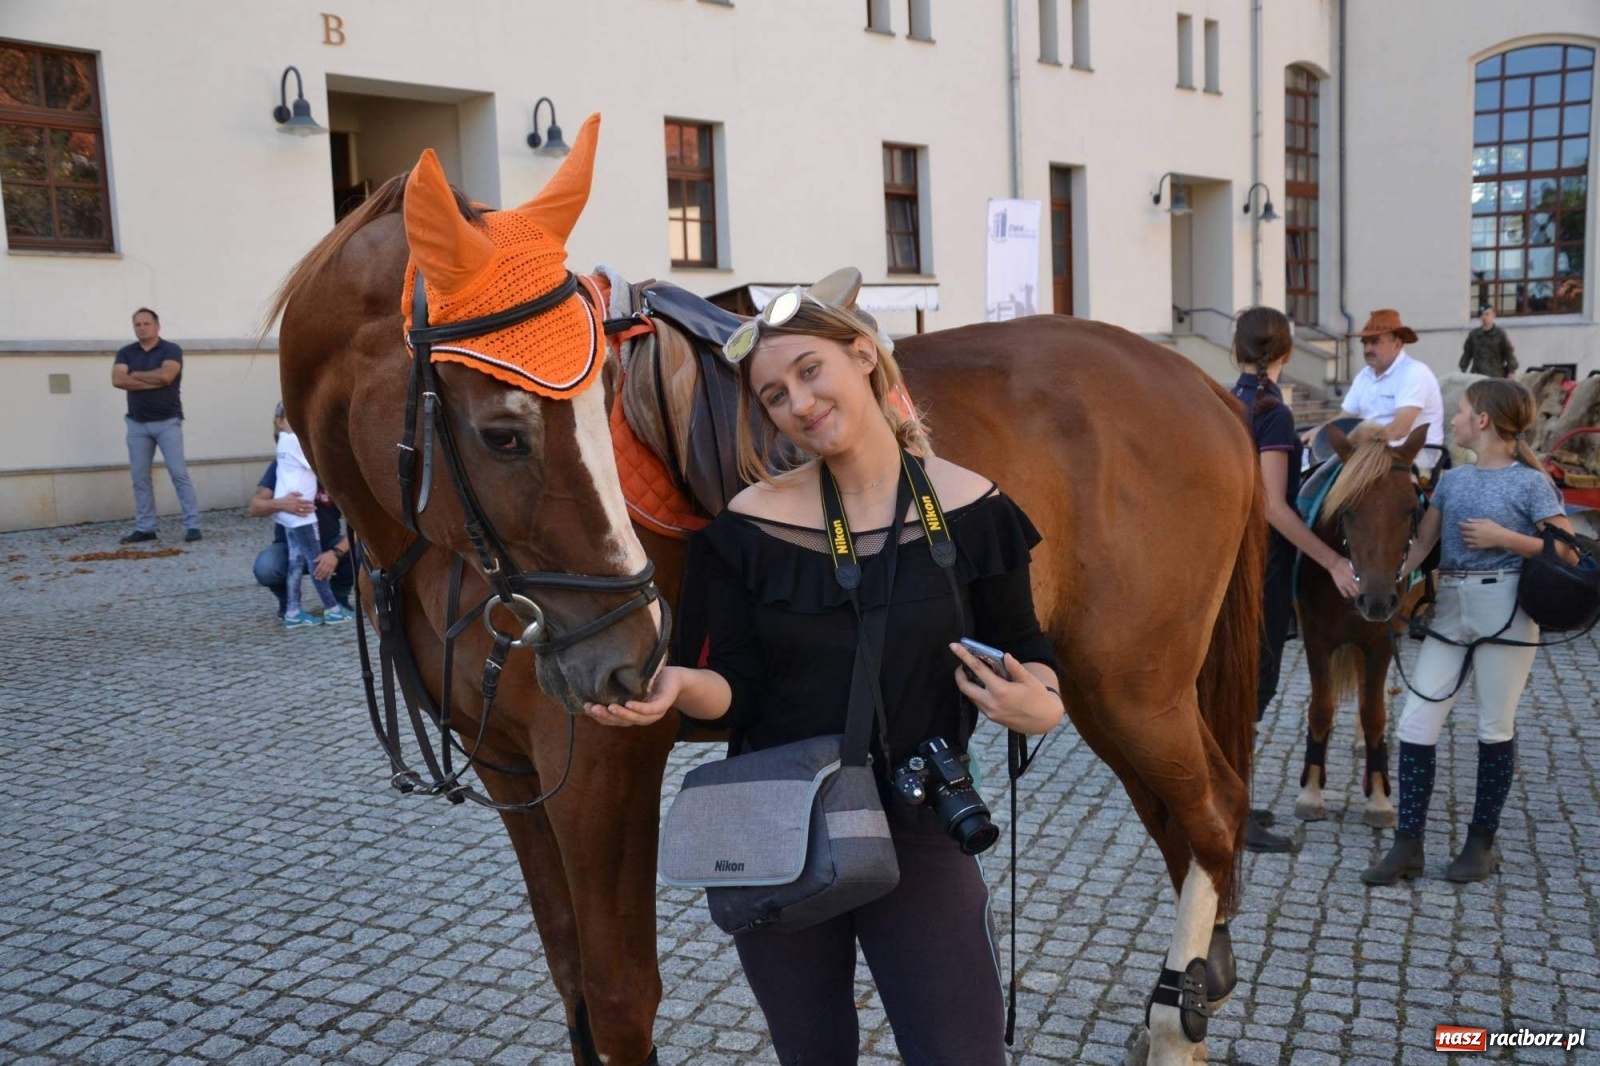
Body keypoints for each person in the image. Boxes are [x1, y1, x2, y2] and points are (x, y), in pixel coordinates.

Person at [584, 273, 1063, 1065]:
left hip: (921, 816)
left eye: (811, 371)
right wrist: (677, 686)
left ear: (864, 355)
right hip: (782, 824)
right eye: (775, 396)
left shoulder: (975, 508)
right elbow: (735, 688)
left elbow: (1027, 647)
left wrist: (1043, 703)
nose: (799, 404)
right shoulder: (746, 529)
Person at [1361, 379, 1576, 886]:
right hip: (1451, 606)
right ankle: (1408, 845)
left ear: (1482, 420)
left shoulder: (1531, 484)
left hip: (1507, 607)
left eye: (1460, 411)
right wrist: (1384, 583)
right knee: (1416, 723)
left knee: (1494, 727)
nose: (1453, 419)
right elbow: (1422, 546)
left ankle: (1480, 845)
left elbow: (1567, 550)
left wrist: (1506, 538)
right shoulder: (1452, 481)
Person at [1230, 308, 1360, 853]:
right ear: (1285, 353)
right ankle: (1232, 814)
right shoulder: (1272, 412)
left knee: (1235, 687)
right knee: (1250, 692)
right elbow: (1272, 506)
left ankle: (1230, 800)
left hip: (1228, 560)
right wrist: (1333, 561)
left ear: (1236, 350)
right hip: (1262, 568)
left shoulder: (1226, 399)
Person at [1302, 309, 1446, 475]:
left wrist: (1356, 445)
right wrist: (1321, 431)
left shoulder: (1414, 373)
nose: (1367, 349)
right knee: (1309, 464)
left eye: (1375, 342)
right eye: (1365, 343)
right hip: (1374, 451)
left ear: (1397, 344)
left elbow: (1400, 430)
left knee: (1336, 472)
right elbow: (1346, 416)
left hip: (1412, 456)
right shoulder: (1365, 375)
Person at [250, 405, 353, 617]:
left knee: (361, 554)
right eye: (292, 418)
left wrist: (336, 552)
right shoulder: (283, 463)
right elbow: (255, 506)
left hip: (328, 544)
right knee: (266, 567)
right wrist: (280, 504)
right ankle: (288, 603)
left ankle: (339, 600)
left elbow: (360, 523)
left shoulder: (332, 465)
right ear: (279, 422)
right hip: (289, 544)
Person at [113, 308, 202, 543]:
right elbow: (118, 379)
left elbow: (167, 376)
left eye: (146, 323)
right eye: (138, 324)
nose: (142, 328)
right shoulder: (126, 352)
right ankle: (145, 528)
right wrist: (152, 379)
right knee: (140, 478)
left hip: (167, 422)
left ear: (157, 326)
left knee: (178, 474)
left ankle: (193, 525)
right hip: (137, 424)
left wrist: (134, 376)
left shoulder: (171, 350)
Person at [1459, 306, 1517, 379]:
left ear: (1493, 315)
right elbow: (1467, 354)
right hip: (1477, 375)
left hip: (1496, 375)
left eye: (1487, 314)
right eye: (1482, 314)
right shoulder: (1474, 335)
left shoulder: (1500, 334)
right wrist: (1463, 370)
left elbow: (1509, 354)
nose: (1484, 317)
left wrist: (1511, 371)